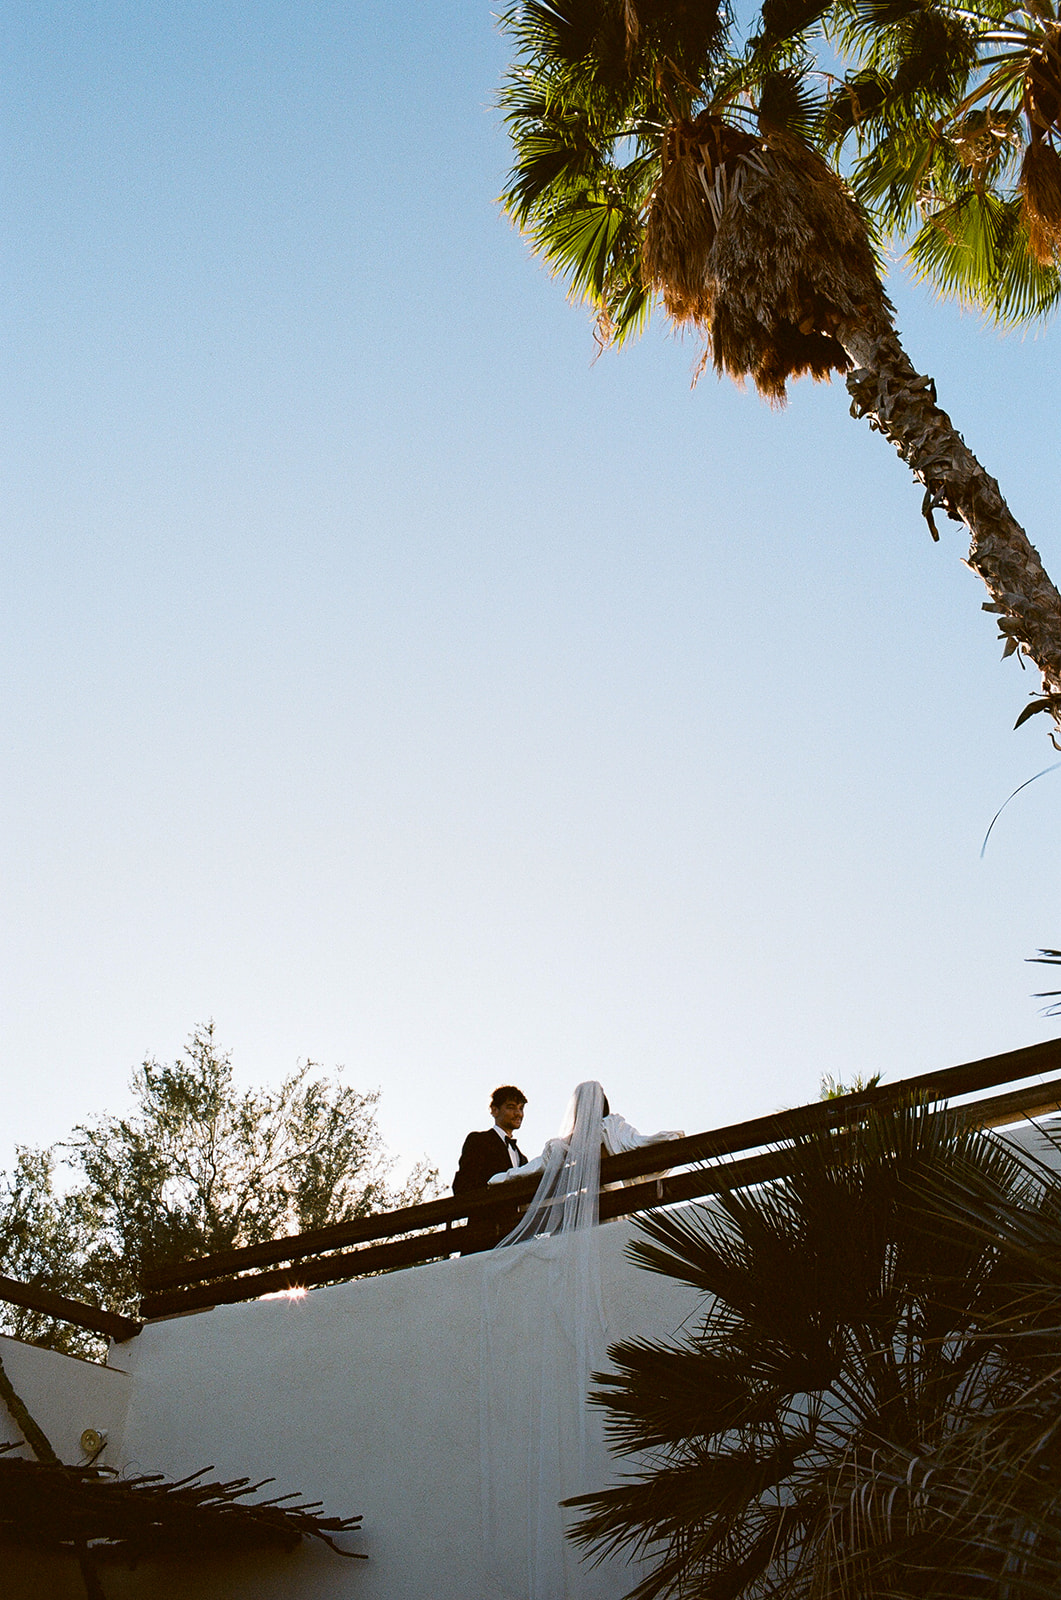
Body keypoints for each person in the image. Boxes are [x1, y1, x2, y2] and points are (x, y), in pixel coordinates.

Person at [487, 1080, 682, 1246]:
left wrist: (501, 1178)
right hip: (615, 1202)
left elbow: (536, 1167)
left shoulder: (570, 1142)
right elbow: (639, 1143)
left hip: (586, 1209)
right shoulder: (615, 1128)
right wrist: (671, 1137)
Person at [453, 1085, 529, 1253]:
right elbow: (462, 1186)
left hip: (514, 1239)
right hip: (483, 1237)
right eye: (511, 1107)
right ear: (494, 1110)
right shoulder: (479, 1141)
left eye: (521, 1108)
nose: (518, 1113)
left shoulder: (522, 1158)